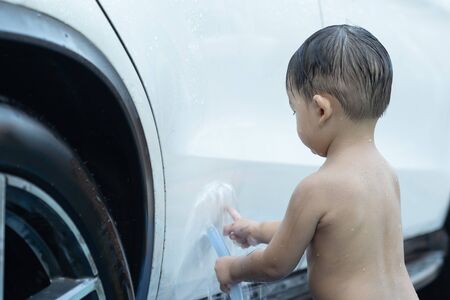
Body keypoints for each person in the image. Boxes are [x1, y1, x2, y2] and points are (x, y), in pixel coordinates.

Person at [214, 24, 419, 300]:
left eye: (294, 109)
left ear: (321, 110)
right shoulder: (386, 175)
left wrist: (233, 268)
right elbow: (324, 232)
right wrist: (257, 230)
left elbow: (275, 264)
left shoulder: (317, 188)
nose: (295, 118)